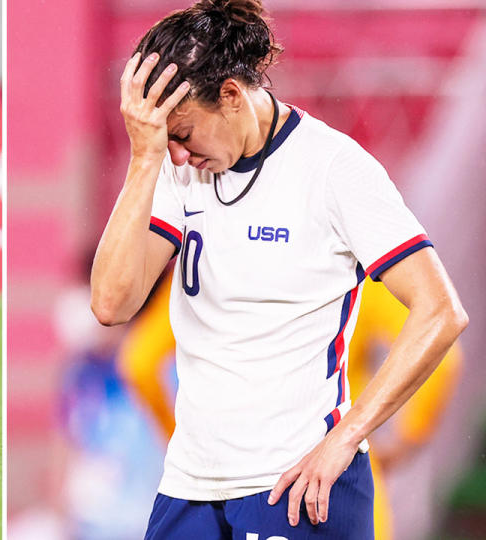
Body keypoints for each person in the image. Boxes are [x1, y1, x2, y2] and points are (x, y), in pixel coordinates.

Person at [89, 0, 468, 537]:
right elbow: (110, 304)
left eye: (183, 134)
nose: (176, 154)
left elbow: (441, 312)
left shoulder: (335, 170)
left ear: (231, 96)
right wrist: (142, 157)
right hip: (189, 485)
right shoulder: (173, 170)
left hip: (294, 486)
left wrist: (347, 437)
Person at [117, 271, 464, 540]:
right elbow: (440, 347)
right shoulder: (347, 263)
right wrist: (406, 440)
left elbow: (139, 362)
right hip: (332, 485)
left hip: (225, 489)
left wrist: (184, 443)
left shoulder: (211, 260)